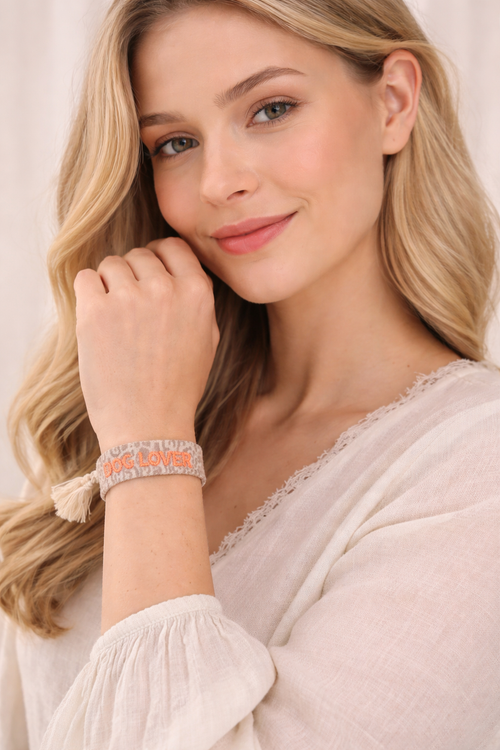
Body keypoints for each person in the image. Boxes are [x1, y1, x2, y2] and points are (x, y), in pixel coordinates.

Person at [1, 0, 499, 747]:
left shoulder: (476, 468)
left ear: (394, 102)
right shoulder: (122, 401)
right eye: (174, 143)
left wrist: (149, 448)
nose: (218, 182)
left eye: (271, 109)